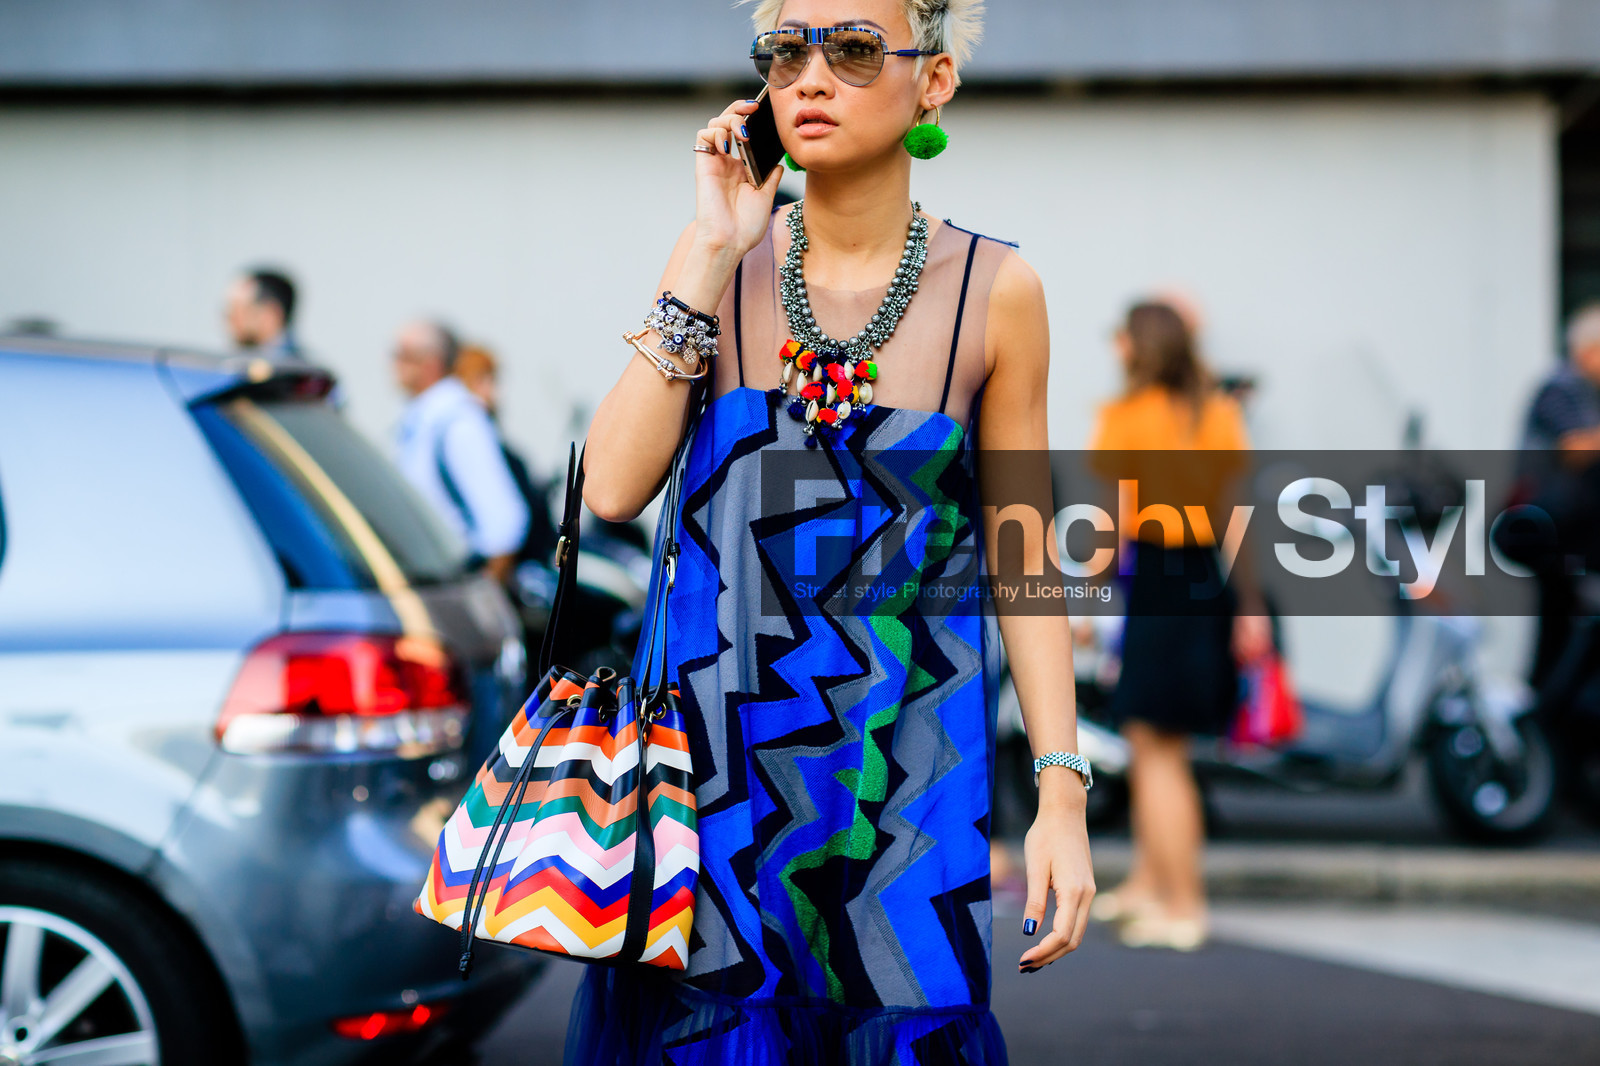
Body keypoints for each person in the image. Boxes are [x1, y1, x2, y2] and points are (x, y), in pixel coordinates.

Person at [567, 2, 1094, 1062]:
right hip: (709, 807)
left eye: (852, 49)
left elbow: (1022, 552)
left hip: (906, 805)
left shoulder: (997, 292)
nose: (810, 76)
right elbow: (613, 489)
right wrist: (710, 251)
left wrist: (1061, 791)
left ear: (933, 81)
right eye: (784, 50)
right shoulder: (720, 262)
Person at [1084, 301, 1269, 951]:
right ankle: (1149, 882)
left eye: (1120, 339)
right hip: (1206, 580)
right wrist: (1251, 606)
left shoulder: (1124, 418)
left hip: (1159, 579)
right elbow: (1236, 517)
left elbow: (1111, 527)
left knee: (1158, 751)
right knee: (1152, 742)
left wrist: (1079, 596)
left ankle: (1184, 904)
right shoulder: (1217, 412)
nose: (1114, 348)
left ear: (1139, 348)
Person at [392, 320, 529, 585]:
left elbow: (504, 524)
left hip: (454, 582)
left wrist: (484, 604)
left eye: (403, 356)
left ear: (430, 363)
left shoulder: (457, 421)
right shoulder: (424, 419)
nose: (394, 365)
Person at [1514, 302, 1600, 688]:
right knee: (1560, 632)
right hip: (1553, 532)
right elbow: (1575, 449)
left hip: (1580, 537)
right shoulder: (1560, 387)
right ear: (1587, 349)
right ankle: (1544, 723)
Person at [225, 268, 299, 359]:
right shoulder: (234, 364)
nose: (230, 318)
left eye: (240, 311)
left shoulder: (302, 370)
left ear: (271, 315)